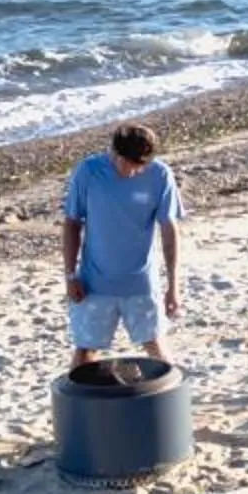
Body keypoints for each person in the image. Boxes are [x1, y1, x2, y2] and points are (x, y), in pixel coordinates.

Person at [62, 120, 183, 372]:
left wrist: (173, 287)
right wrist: (70, 276)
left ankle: (172, 397)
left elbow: (169, 230)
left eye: (142, 166)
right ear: (115, 153)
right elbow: (72, 224)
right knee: (85, 352)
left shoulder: (160, 175)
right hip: (94, 284)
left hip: (140, 284)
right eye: (130, 164)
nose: (135, 172)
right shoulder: (89, 172)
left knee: (156, 347)